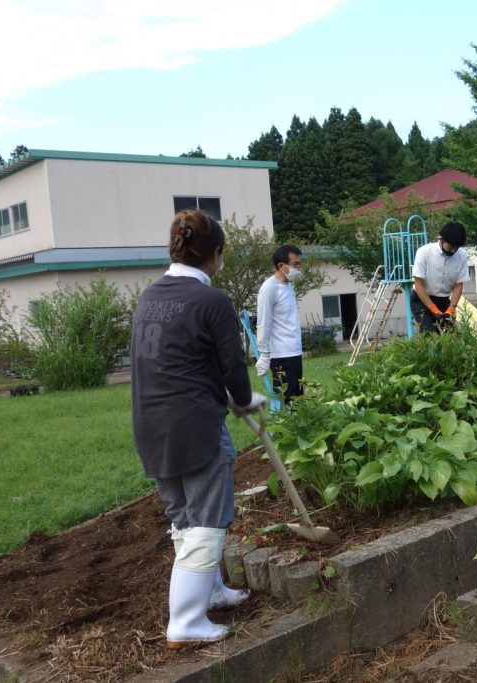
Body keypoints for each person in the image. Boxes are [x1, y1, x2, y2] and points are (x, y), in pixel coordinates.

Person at [131, 210, 268, 649]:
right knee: (207, 523)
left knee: (184, 521)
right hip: (194, 426)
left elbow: (182, 363)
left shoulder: (149, 296)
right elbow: (231, 366)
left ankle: (210, 592)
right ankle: (186, 622)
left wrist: (227, 395)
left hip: (150, 425)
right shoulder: (212, 301)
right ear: (216, 254)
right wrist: (245, 401)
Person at [255, 245, 304, 401]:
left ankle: (300, 425)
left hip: (294, 351)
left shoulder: (288, 286)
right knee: (288, 399)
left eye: (299, 264)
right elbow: (263, 322)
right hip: (281, 355)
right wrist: (264, 355)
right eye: (295, 264)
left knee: (298, 398)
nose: (298, 268)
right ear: (281, 266)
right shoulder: (269, 288)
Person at [411, 221, 470, 334]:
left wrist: (451, 308)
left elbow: (458, 285)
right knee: (430, 334)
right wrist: (433, 308)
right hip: (421, 299)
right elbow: (418, 284)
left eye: (456, 248)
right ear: (441, 239)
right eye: (451, 246)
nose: (453, 251)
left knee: (451, 336)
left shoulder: (462, 255)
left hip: (444, 300)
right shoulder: (424, 252)